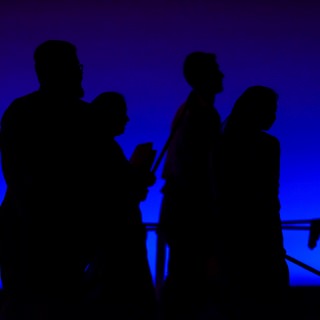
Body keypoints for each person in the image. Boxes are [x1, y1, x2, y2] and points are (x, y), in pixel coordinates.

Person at [0, 40, 93, 319]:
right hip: (53, 237)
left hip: (30, 235)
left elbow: (15, 174)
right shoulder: (83, 116)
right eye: (74, 66)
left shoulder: (20, 111)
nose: (79, 72)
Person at [156, 51, 225, 320]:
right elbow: (199, 171)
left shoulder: (188, 111)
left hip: (181, 208)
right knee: (192, 283)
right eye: (216, 70)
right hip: (192, 212)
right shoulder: (201, 115)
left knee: (184, 280)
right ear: (205, 76)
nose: (222, 75)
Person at [219, 85, 290, 320]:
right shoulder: (269, 145)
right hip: (262, 233)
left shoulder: (223, 142)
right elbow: (269, 195)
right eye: (271, 109)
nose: (274, 115)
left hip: (231, 235)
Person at [87, 91, 158, 320]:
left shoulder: (97, 147)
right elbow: (117, 191)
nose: (127, 119)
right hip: (120, 237)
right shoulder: (106, 148)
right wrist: (138, 178)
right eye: (122, 114)